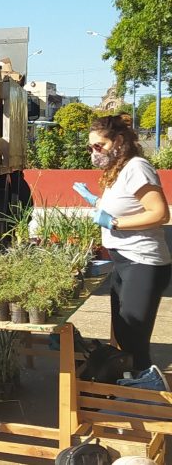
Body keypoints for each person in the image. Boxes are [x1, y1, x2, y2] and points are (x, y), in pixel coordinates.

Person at [73, 115, 171, 370]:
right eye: (90, 147)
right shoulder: (118, 170)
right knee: (123, 336)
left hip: (143, 262)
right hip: (124, 261)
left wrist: (114, 223)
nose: (93, 152)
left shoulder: (137, 167)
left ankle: (143, 397)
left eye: (98, 146)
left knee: (133, 341)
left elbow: (160, 213)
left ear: (118, 141)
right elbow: (122, 206)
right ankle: (129, 389)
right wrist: (94, 200)